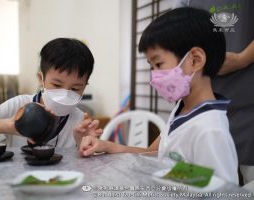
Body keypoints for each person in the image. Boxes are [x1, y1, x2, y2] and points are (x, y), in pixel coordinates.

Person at [76, 7, 239, 184]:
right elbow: (154, 155)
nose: (154, 75)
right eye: (151, 66)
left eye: (159, 64)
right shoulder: (182, 109)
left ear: (195, 60)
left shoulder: (210, 130)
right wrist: (108, 146)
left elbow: (224, 191)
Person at [0, 38, 102, 148]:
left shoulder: (80, 122)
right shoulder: (19, 105)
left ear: (84, 87)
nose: (64, 94)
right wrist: (9, 125)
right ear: (42, 79)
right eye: (57, 85)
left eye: (75, 89)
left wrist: (84, 145)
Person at [173, 0, 254, 185]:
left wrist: (242, 59)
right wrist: (117, 148)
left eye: (159, 64)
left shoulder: (210, 126)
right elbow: (163, 158)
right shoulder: (180, 112)